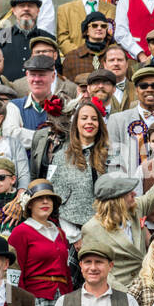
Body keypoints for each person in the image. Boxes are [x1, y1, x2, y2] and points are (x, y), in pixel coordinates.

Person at [78, 170, 154, 292]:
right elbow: (100, 271)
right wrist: (127, 295)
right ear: (117, 200)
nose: (134, 193)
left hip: (147, 287)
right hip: (119, 293)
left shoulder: (135, 209)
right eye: (129, 193)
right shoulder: (92, 229)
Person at [6, 178, 69, 306]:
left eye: (49, 199)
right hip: (35, 301)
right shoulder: (20, 232)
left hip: (61, 300)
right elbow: (13, 275)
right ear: (30, 204)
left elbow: (66, 272)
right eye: (40, 199)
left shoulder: (59, 232)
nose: (45, 203)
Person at [49, 99, 112, 242]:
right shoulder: (61, 157)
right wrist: (74, 237)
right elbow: (56, 200)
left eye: (94, 119)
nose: (89, 122)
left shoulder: (112, 155)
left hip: (108, 231)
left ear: (100, 125)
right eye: (84, 118)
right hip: (73, 232)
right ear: (76, 124)